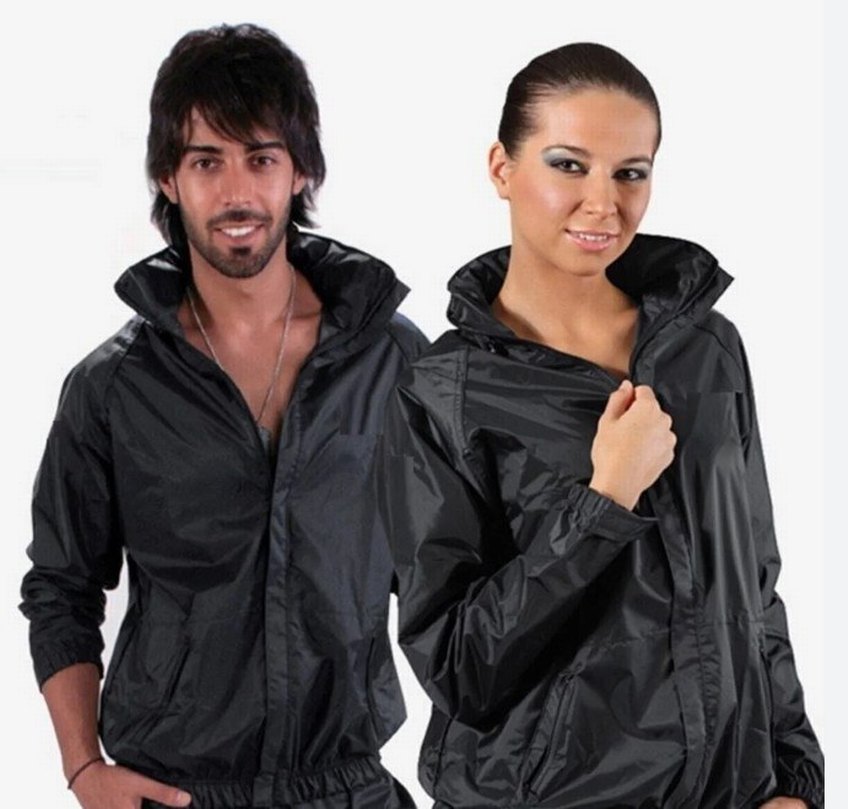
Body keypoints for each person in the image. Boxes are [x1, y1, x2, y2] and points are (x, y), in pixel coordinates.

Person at [376, 43, 824, 809]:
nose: (603, 203)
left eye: (630, 173)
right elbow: (458, 667)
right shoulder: (444, 391)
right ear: (502, 168)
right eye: (569, 165)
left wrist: (795, 776)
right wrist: (604, 499)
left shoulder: (706, 347)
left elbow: (756, 584)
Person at [20, 23, 424, 809]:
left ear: (300, 171)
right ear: (168, 178)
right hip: (174, 790)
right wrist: (83, 769)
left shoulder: (393, 362)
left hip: (345, 784)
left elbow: (456, 577)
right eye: (207, 161)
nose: (236, 193)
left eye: (261, 158)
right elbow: (62, 587)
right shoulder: (112, 388)